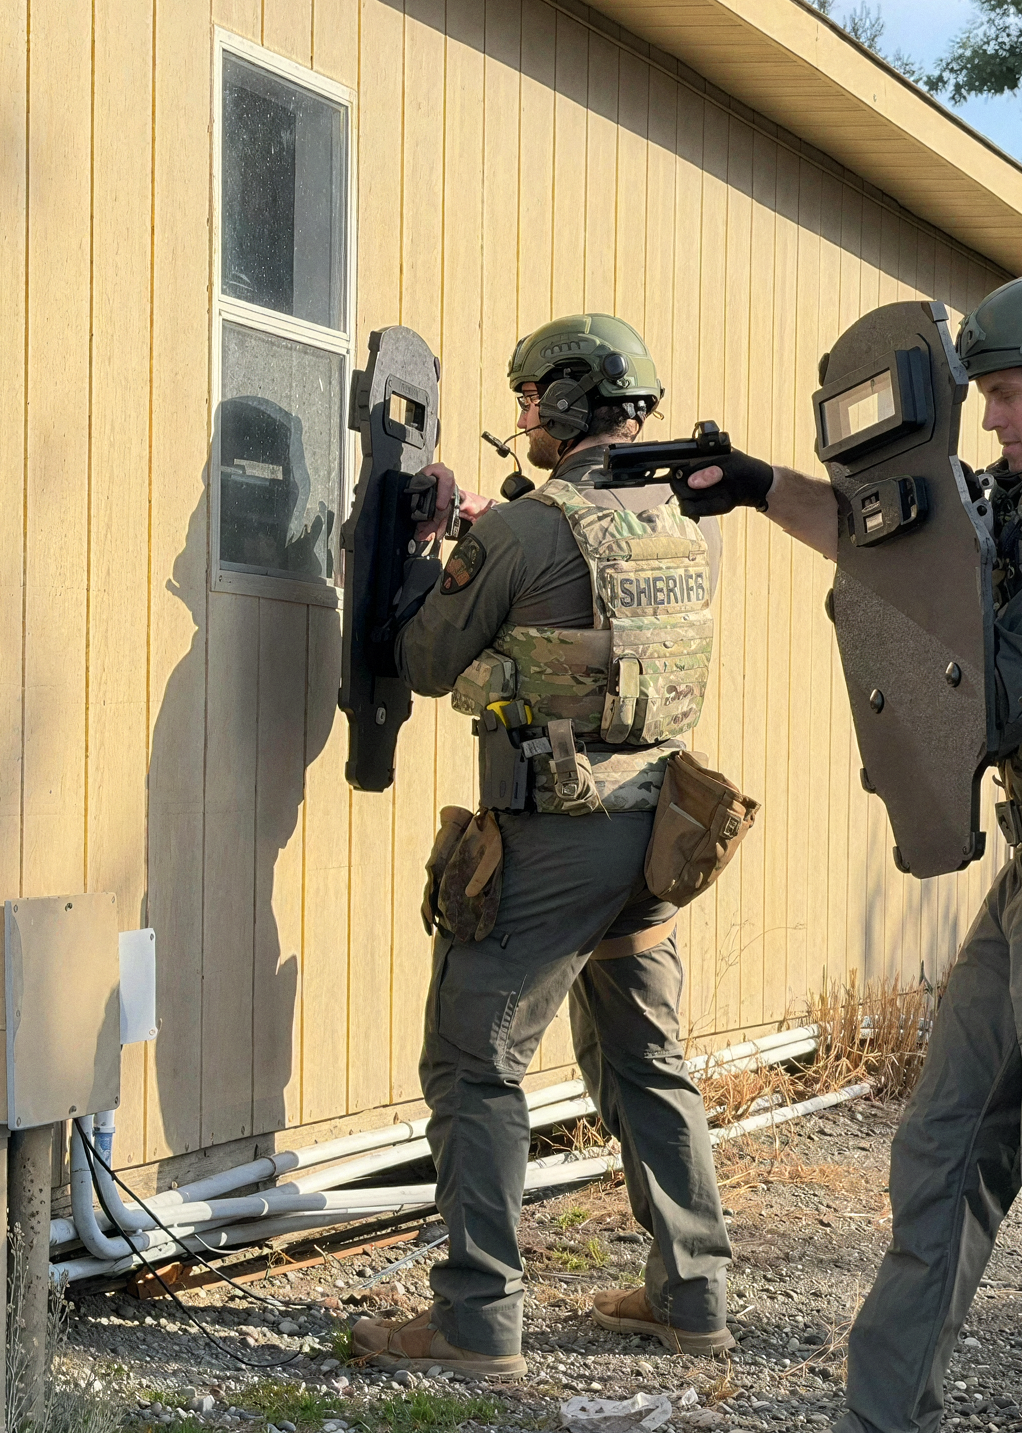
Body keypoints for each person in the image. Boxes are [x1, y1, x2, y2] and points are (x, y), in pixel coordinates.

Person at [680, 271, 1022, 1433]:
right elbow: (902, 544)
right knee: (942, 1148)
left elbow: (992, 691)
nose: (987, 420)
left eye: (1004, 395)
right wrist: (757, 488)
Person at [348, 313, 747, 1377]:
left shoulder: (526, 530)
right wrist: (490, 530)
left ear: (567, 404)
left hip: (555, 836)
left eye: (530, 399)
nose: (521, 416)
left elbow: (429, 658)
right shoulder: (683, 518)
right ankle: (691, 1294)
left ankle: (476, 1320)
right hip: (655, 831)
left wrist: (443, 548)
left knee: (474, 1064)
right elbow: (582, 600)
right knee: (649, 1062)